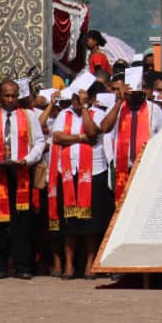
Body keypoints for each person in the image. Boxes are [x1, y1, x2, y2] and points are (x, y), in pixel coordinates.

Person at [0, 79, 46, 280]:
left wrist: (27, 160)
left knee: (22, 221)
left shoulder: (28, 117)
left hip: (21, 172)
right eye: (6, 95)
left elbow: (39, 142)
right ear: (0, 96)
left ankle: (23, 265)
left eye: (13, 95)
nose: (10, 99)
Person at [48, 91, 110, 279]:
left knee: (90, 223)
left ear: (89, 99)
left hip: (93, 171)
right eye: (75, 98)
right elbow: (58, 137)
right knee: (70, 223)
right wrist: (81, 138)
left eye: (81, 99)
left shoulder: (97, 113)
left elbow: (92, 132)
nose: (76, 102)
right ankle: (68, 264)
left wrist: (85, 109)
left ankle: (90, 264)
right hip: (67, 171)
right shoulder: (63, 114)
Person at [99, 80, 162, 204]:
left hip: (146, 168)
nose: (140, 94)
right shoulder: (116, 108)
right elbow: (105, 128)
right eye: (134, 92)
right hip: (122, 168)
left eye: (142, 90)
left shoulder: (154, 109)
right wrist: (120, 101)